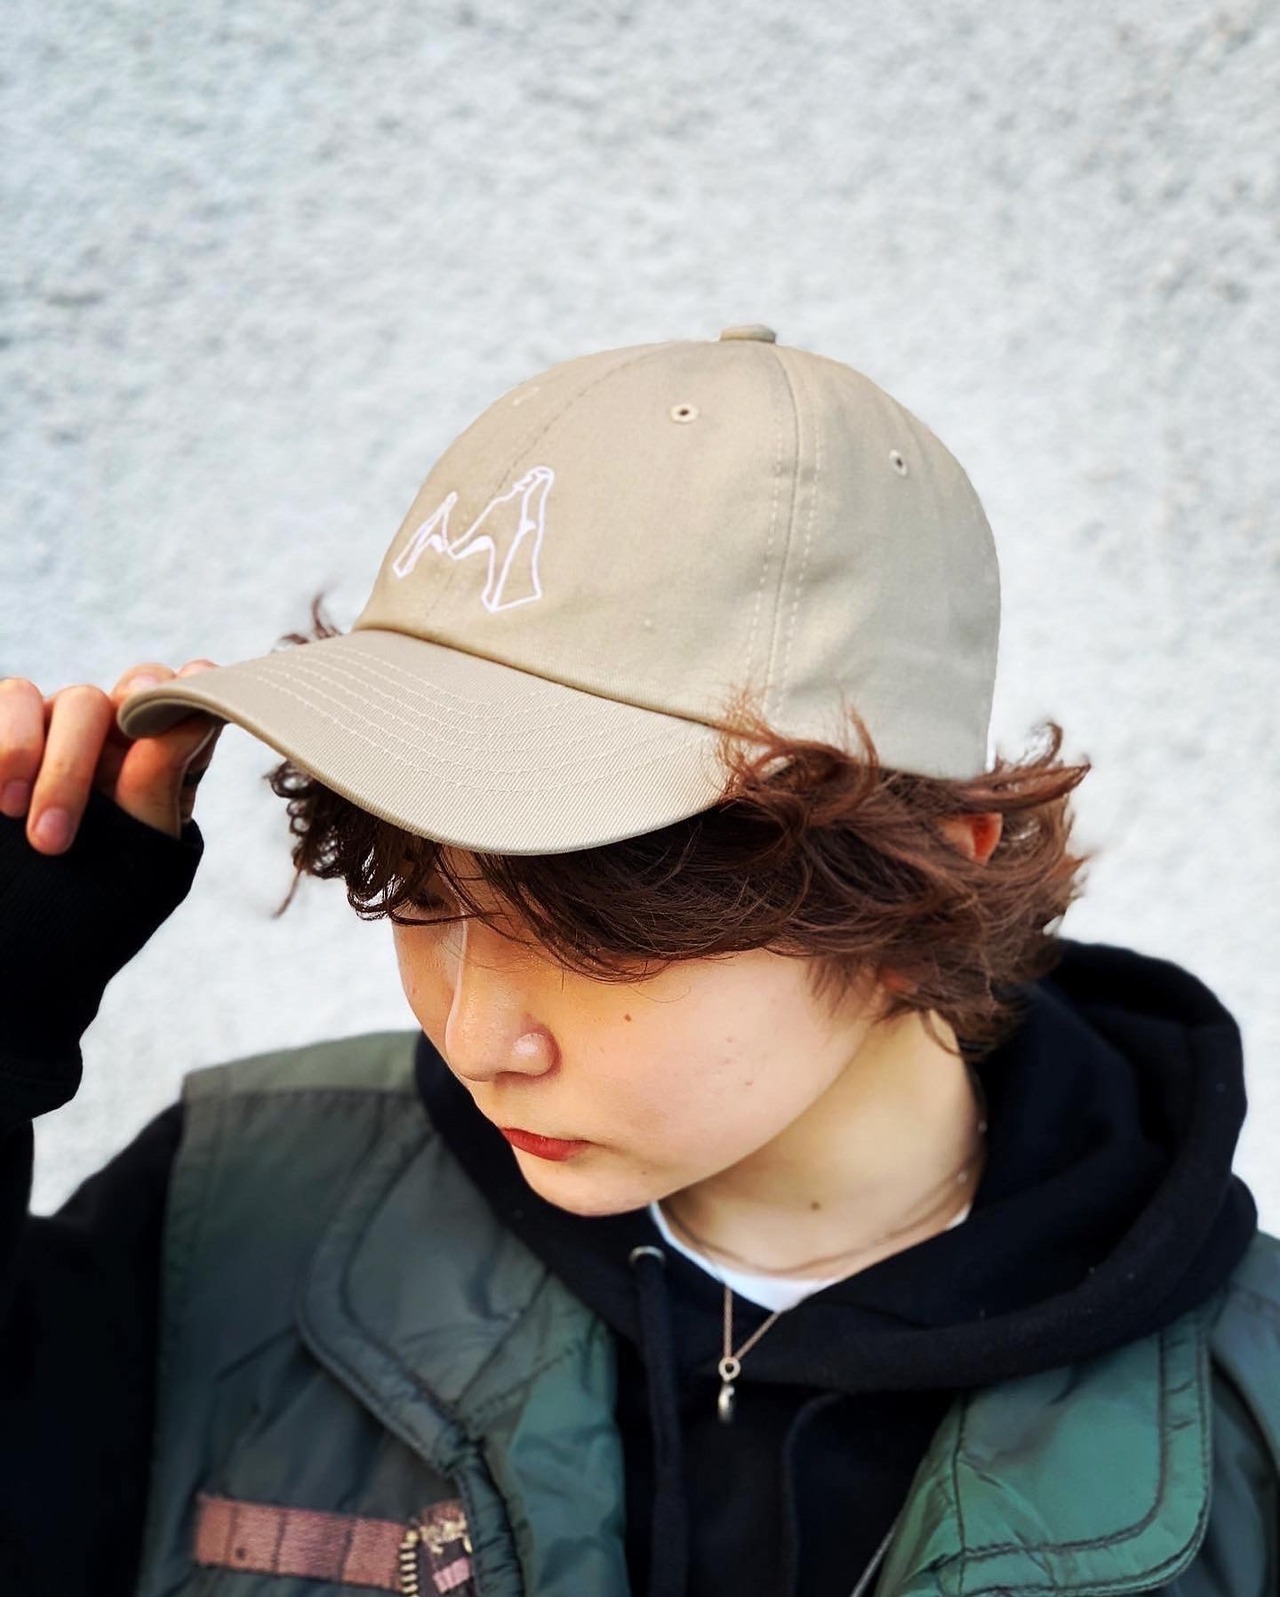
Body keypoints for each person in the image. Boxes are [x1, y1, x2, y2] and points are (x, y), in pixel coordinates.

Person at [0, 324, 1275, 1597]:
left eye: (597, 936)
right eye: (420, 895)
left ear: (913, 890)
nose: (479, 1036)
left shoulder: (1246, 1417)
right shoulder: (231, 1212)